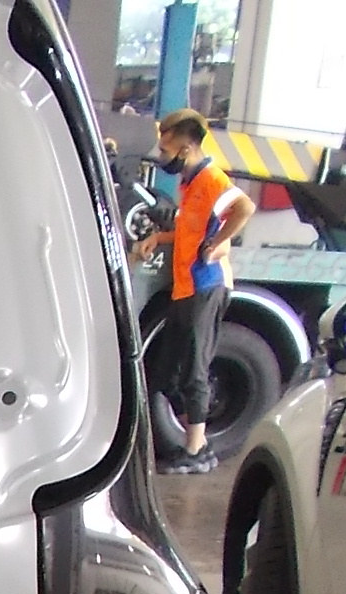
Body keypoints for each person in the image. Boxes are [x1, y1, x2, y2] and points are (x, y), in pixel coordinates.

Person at [129, 109, 254, 474]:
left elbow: (245, 207)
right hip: (186, 288)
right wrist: (158, 237)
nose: (162, 156)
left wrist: (218, 241)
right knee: (168, 374)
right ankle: (198, 444)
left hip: (206, 285)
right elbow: (188, 230)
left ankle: (196, 451)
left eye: (166, 149)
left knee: (194, 370)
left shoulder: (212, 180)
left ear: (185, 148)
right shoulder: (189, 184)